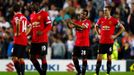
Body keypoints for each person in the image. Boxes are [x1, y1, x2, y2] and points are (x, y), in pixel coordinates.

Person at [94, 6, 125, 75]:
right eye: (104, 10)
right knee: (99, 57)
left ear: (109, 11)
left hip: (109, 42)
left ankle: (108, 73)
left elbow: (122, 28)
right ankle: (96, 73)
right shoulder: (101, 19)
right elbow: (96, 26)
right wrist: (98, 34)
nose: (104, 12)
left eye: (106, 10)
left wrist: (115, 36)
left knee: (109, 57)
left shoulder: (114, 20)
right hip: (102, 42)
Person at [29, 3, 52, 75]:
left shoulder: (44, 14)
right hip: (34, 41)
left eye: (33, 5)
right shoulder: (31, 15)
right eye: (31, 6)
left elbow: (49, 25)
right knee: (32, 57)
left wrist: (42, 32)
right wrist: (26, 35)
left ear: (38, 5)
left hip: (43, 40)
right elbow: (32, 28)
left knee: (43, 57)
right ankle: (41, 73)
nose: (32, 7)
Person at [68, 9, 91, 75]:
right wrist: (67, 23)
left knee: (84, 58)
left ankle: (83, 73)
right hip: (77, 43)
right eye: (81, 13)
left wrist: (73, 23)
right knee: (74, 57)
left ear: (86, 16)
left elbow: (82, 27)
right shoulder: (77, 22)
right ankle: (79, 72)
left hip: (84, 43)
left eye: (84, 14)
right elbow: (70, 27)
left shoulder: (88, 22)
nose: (82, 15)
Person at [11, 4, 31, 75]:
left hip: (18, 40)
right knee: (21, 58)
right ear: (20, 10)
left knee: (14, 58)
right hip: (24, 40)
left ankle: (19, 73)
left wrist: (17, 32)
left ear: (14, 11)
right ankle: (22, 73)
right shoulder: (24, 17)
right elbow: (30, 26)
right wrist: (26, 34)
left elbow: (18, 23)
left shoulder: (15, 17)